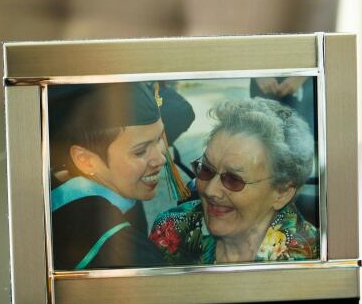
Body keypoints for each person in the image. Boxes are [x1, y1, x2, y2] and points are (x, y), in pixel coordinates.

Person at [149, 98, 319, 264]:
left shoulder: (312, 262)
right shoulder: (170, 229)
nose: (210, 191)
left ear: (282, 193)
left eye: (233, 179)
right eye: (207, 170)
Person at [49, 82, 190, 270]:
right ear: (85, 160)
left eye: (160, 139)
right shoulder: (126, 254)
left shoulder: (52, 185)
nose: (161, 158)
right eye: (140, 151)